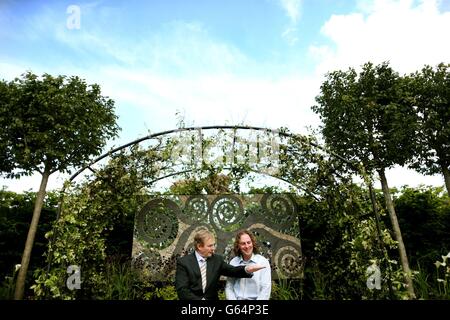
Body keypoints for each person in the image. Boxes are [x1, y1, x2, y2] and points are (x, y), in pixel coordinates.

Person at [175, 229, 265, 300]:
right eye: (210, 246)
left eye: (214, 245)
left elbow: (232, 270)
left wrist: (247, 269)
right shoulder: (183, 263)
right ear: (199, 246)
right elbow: (182, 290)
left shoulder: (217, 260)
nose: (213, 248)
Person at [225, 230, 271, 300]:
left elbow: (266, 289)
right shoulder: (233, 262)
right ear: (238, 246)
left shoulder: (263, 262)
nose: (247, 246)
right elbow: (229, 287)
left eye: (249, 242)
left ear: (252, 243)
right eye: (243, 243)